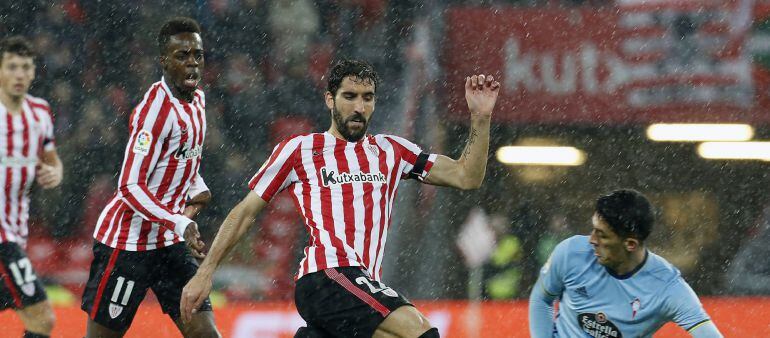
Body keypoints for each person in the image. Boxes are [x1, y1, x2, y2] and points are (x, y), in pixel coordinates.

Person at [181, 59, 500, 338]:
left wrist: (481, 120)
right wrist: (205, 271)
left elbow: (465, 176)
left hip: (357, 287)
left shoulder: (392, 151)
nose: (359, 107)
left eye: (367, 98)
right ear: (329, 100)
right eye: (349, 97)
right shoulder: (301, 149)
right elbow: (246, 211)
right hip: (328, 275)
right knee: (421, 332)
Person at [80, 17, 220, 338]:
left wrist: (197, 190)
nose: (192, 63)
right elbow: (129, 186)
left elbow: (182, 160)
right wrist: (180, 222)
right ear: (163, 61)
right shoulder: (154, 113)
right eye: (182, 55)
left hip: (170, 244)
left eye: (197, 55)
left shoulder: (198, 101)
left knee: (205, 334)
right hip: (127, 244)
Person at [529, 189, 723, 338]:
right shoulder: (571, 253)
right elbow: (542, 299)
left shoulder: (667, 288)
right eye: (593, 229)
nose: (592, 240)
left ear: (630, 244)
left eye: (602, 235)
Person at [0, 35, 62, 338]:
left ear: (34, 71)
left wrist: (54, 173)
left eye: (26, 67)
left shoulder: (40, 112)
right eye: (12, 67)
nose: (20, 74)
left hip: (17, 230)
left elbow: (52, 160)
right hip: (2, 239)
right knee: (41, 319)